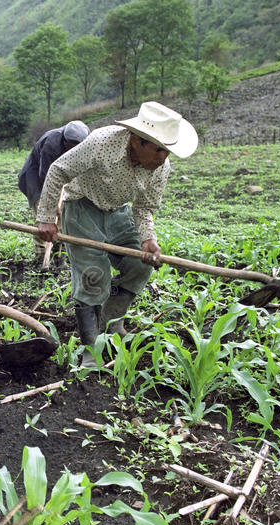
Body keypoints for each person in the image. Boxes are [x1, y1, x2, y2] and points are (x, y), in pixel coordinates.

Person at [35, 102, 198, 367]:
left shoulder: (161, 167)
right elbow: (58, 170)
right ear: (137, 141)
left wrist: (148, 239)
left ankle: (111, 322)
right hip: (82, 206)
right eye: (158, 149)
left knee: (140, 265)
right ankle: (91, 349)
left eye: (167, 151)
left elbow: (144, 207)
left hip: (119, 212)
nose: (163, 158)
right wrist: (45, 218)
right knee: (94, 275)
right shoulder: (102, 143)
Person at [18, 120, 90, 259]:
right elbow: (46, 177)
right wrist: (52, 203)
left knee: (63, 212)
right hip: (35, 179)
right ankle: (41, 255)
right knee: (43, 215)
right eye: (71, 147)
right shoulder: (51, 144)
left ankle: (59, 253)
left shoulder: (87, 141)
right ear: (65, 141)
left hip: (61, 176)